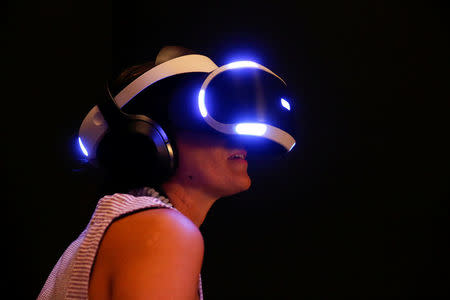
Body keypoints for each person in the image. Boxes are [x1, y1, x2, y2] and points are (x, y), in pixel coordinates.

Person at [37, 46, 296, 299]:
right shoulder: (160, 231)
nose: (238, 137)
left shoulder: (123, 229)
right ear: (149, 138)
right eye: (213, 120)